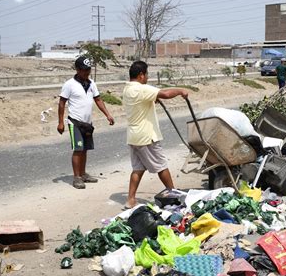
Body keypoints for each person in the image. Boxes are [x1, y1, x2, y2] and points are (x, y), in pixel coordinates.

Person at [123, 61, 188, 209]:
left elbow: (141, 102)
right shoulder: (141, 88)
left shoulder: (127, 89)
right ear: (141, 75)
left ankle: (131, 200)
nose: (147, 78)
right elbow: (165, 94)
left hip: (134, 136)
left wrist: (152, 99)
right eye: (146, 74)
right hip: (147, 136)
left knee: (138, 169)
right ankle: (174, 195)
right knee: (161, 166)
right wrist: (180, 90)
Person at [57, 56, 115, 189]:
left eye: (88, 70)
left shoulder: (91, 84)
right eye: (83, 70)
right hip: (75, 122)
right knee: (78, 149)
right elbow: (61, 103)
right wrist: (61, 122)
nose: (86, 72)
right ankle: (76, 177)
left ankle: (83, 174)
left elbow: (98, 100)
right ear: (77, 69)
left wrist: (108, 114)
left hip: (87, 123)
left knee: (85, 149)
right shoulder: (69, 84)